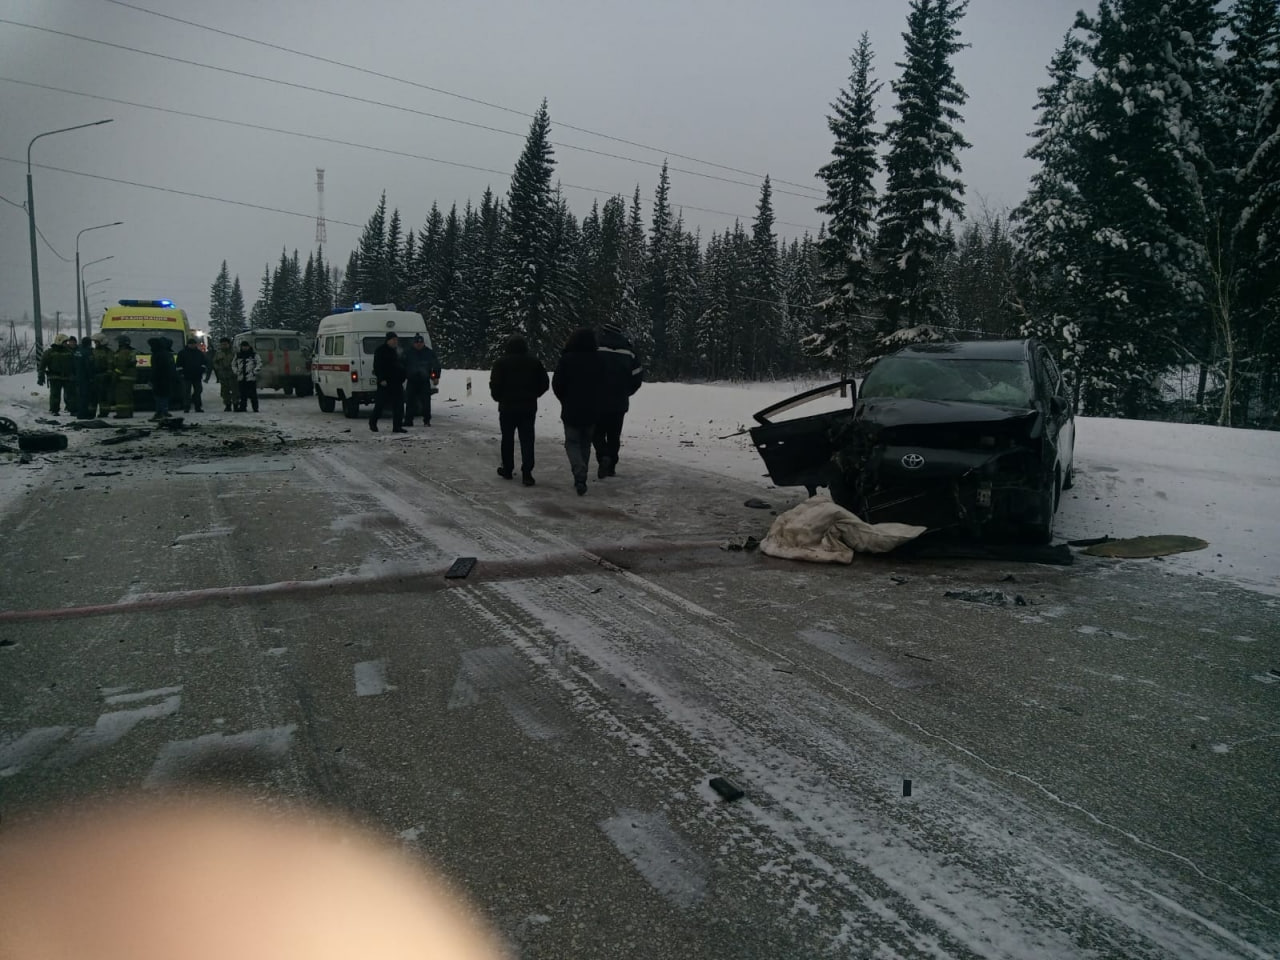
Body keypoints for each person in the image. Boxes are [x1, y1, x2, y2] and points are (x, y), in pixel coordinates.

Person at [551, 328, 606, 496]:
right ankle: (581, 476)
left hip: (571, 408)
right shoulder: (598, 360)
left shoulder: (566, 359)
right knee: (585, 443)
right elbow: (604, 383)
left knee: (572, 442)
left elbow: (557, 384)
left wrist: (564, 399)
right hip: (592, 408)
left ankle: (579, 470)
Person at [489, 336, 550, 486]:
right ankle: (527, 472)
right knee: (527, 440)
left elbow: (495, 384)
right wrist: (534, 395)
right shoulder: (534, 362)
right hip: (528, 407)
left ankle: (508, 469)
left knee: (507, 438)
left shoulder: (501, 363)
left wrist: (499, 398)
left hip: (507, 407)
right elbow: (544, 383)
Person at [594, 322, 644, 479]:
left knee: (597, 433)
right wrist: (627, 392)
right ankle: (611, 464)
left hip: (598, 400)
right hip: (619, 401)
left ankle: (602, 456)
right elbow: (637, 377)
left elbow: (588, 372)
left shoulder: (596, 349)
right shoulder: (629, 352)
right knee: (614, 435)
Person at [369, 331, 406, 433]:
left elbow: (403, 364)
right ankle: (373, 422)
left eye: (396, 340)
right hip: (385, 383)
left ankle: (397, 426)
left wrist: (403, 376)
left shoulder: (398, 351)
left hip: (397, 382)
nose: (395, 342)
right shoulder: (381, 351)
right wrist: (381, 379)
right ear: (388, 340)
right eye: (393, 340)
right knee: (380, 405)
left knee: (399, 405)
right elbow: (377, 366)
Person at [403, 334, 441, 427]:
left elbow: (436, 365)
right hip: (412, 381)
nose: (419, 344)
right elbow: (403, 366)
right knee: (410, 402)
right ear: (414, 343)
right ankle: (408, 420)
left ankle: (426, 420)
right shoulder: (408, 352)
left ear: (423, 343)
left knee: (426, 402)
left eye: (421, 342)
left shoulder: (429, 352)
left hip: (424, 381)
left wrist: (436, 376)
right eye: (417, 342)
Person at [37, 334, 74, 415]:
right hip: (54, 377)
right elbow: (42, 365)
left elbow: (74, 364)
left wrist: (74, 375)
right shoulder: (49, 352)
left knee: (70, 395)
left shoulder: (69, 352)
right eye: (65, 342)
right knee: (55, 395)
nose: (66, 344)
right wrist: (41, 376)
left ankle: (72, 409)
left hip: (67, 377)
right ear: (60, 341)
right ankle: (54, 410)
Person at [177, 337, 210, 413]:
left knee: (198, 391)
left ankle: (197, 407)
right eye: (191, 344)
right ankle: (186, 407)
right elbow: (178, 364)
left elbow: (204, 362)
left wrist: (202, 370)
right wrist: (181, 373)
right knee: (186, 392)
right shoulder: (182, 353)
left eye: (194, 344)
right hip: (186, 376)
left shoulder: (199, 353)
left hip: (197, 376)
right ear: (188, 344)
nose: (192, 345)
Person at [148, 337, 177, 420]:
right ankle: (164, 411)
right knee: (164, 395)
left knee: (159, 396)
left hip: (159, 379)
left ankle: (160, 412)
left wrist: (151, 379)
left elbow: (156, 368)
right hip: (166, 378)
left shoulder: (157, 354)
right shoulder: (166, 354)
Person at [111, 336, 138, 418]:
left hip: (123, 377)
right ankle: (129, 412)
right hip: (130, 377)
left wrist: (115, 375)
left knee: (122, 397)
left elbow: (121, 366)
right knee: (128, 396)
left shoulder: (123, 352)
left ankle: (122, 414)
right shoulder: (130, 351)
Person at [232, 340, 262, 412]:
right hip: (241, 377)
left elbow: (259, 363)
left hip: (251, 377)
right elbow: (233, 364)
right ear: (241, 347)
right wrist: (236, 371)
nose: (245, 348)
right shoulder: (238, 355)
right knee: (242, 394)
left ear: (248, 347)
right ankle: (243, 407)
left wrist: (255, 371)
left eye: (246, 346)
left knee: (253, 394)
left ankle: (255, 408)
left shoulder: (254, 355)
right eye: (243, 347)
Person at [72, 336, 97, 419]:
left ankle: (80, 412)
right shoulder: (88, 352)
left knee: (80, 396)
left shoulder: (77, 351)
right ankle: (84, 414)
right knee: (86, 396)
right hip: (86, 378)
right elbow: (89, 366)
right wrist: (91, 377)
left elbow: (73, 364)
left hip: (78, 377)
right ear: (89, 343)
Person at [210, 337, 236, 411]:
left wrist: (235, 369)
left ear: (228, 344)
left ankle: (236, 404)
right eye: (222, 344)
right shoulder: (218, 353)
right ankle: (227, 405)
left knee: (235, 391)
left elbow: (238, 362)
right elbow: (214, 362)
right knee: (225, 391)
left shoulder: (234, 353)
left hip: (233, 374)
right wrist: (218, 368)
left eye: (225, 344)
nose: (223, 346)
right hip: (223, 375)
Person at [92, 334, 113, 418]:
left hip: (104, 375)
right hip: (94, 375)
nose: (95, 344)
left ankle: (104, 412)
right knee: (93, 395)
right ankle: (91, 412)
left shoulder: (108, 352)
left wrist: (108, 375)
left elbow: (110, 364)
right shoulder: (93, 351)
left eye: (96, 342)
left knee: (103, 395)